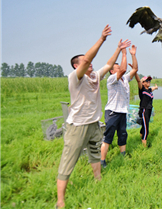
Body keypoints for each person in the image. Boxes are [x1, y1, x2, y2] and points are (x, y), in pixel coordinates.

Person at [56, 25, 131, 209]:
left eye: (89, 63)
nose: (90, 63)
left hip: (93, 124)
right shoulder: (75, 77)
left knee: (95, 154)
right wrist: (102, 39)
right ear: (77, 66)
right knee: (68, 161)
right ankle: (60, 200)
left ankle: (98, 181)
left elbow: (108, 64)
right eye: (85, 62)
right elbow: (89, 57)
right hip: (78, 125)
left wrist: (119, 50)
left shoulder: (95, 76)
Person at [100, 44, 138, 168]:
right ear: (112, 70)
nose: (120, 68)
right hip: (112, 112)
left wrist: (133, 55)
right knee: (108, 136)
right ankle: (102, 160)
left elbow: (134, 69)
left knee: (122, 134)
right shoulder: (111, 79)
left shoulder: (125, 79)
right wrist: (124, 53)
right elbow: (123, 70)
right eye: (117, 67)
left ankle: (123, 155)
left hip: (122, 111)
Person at [133, 74, 158, 147]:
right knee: (146, 128)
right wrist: (135, 72)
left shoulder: (149, 90)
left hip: (149, 110)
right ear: (143, 83)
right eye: (146, 81)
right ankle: (144, 146)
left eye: (149, 80)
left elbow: (152, 88)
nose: (148, 82)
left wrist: (156, 87)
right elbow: (138, 81)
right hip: (144, 110)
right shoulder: (142, 89)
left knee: (144, 126)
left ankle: (141, 137)